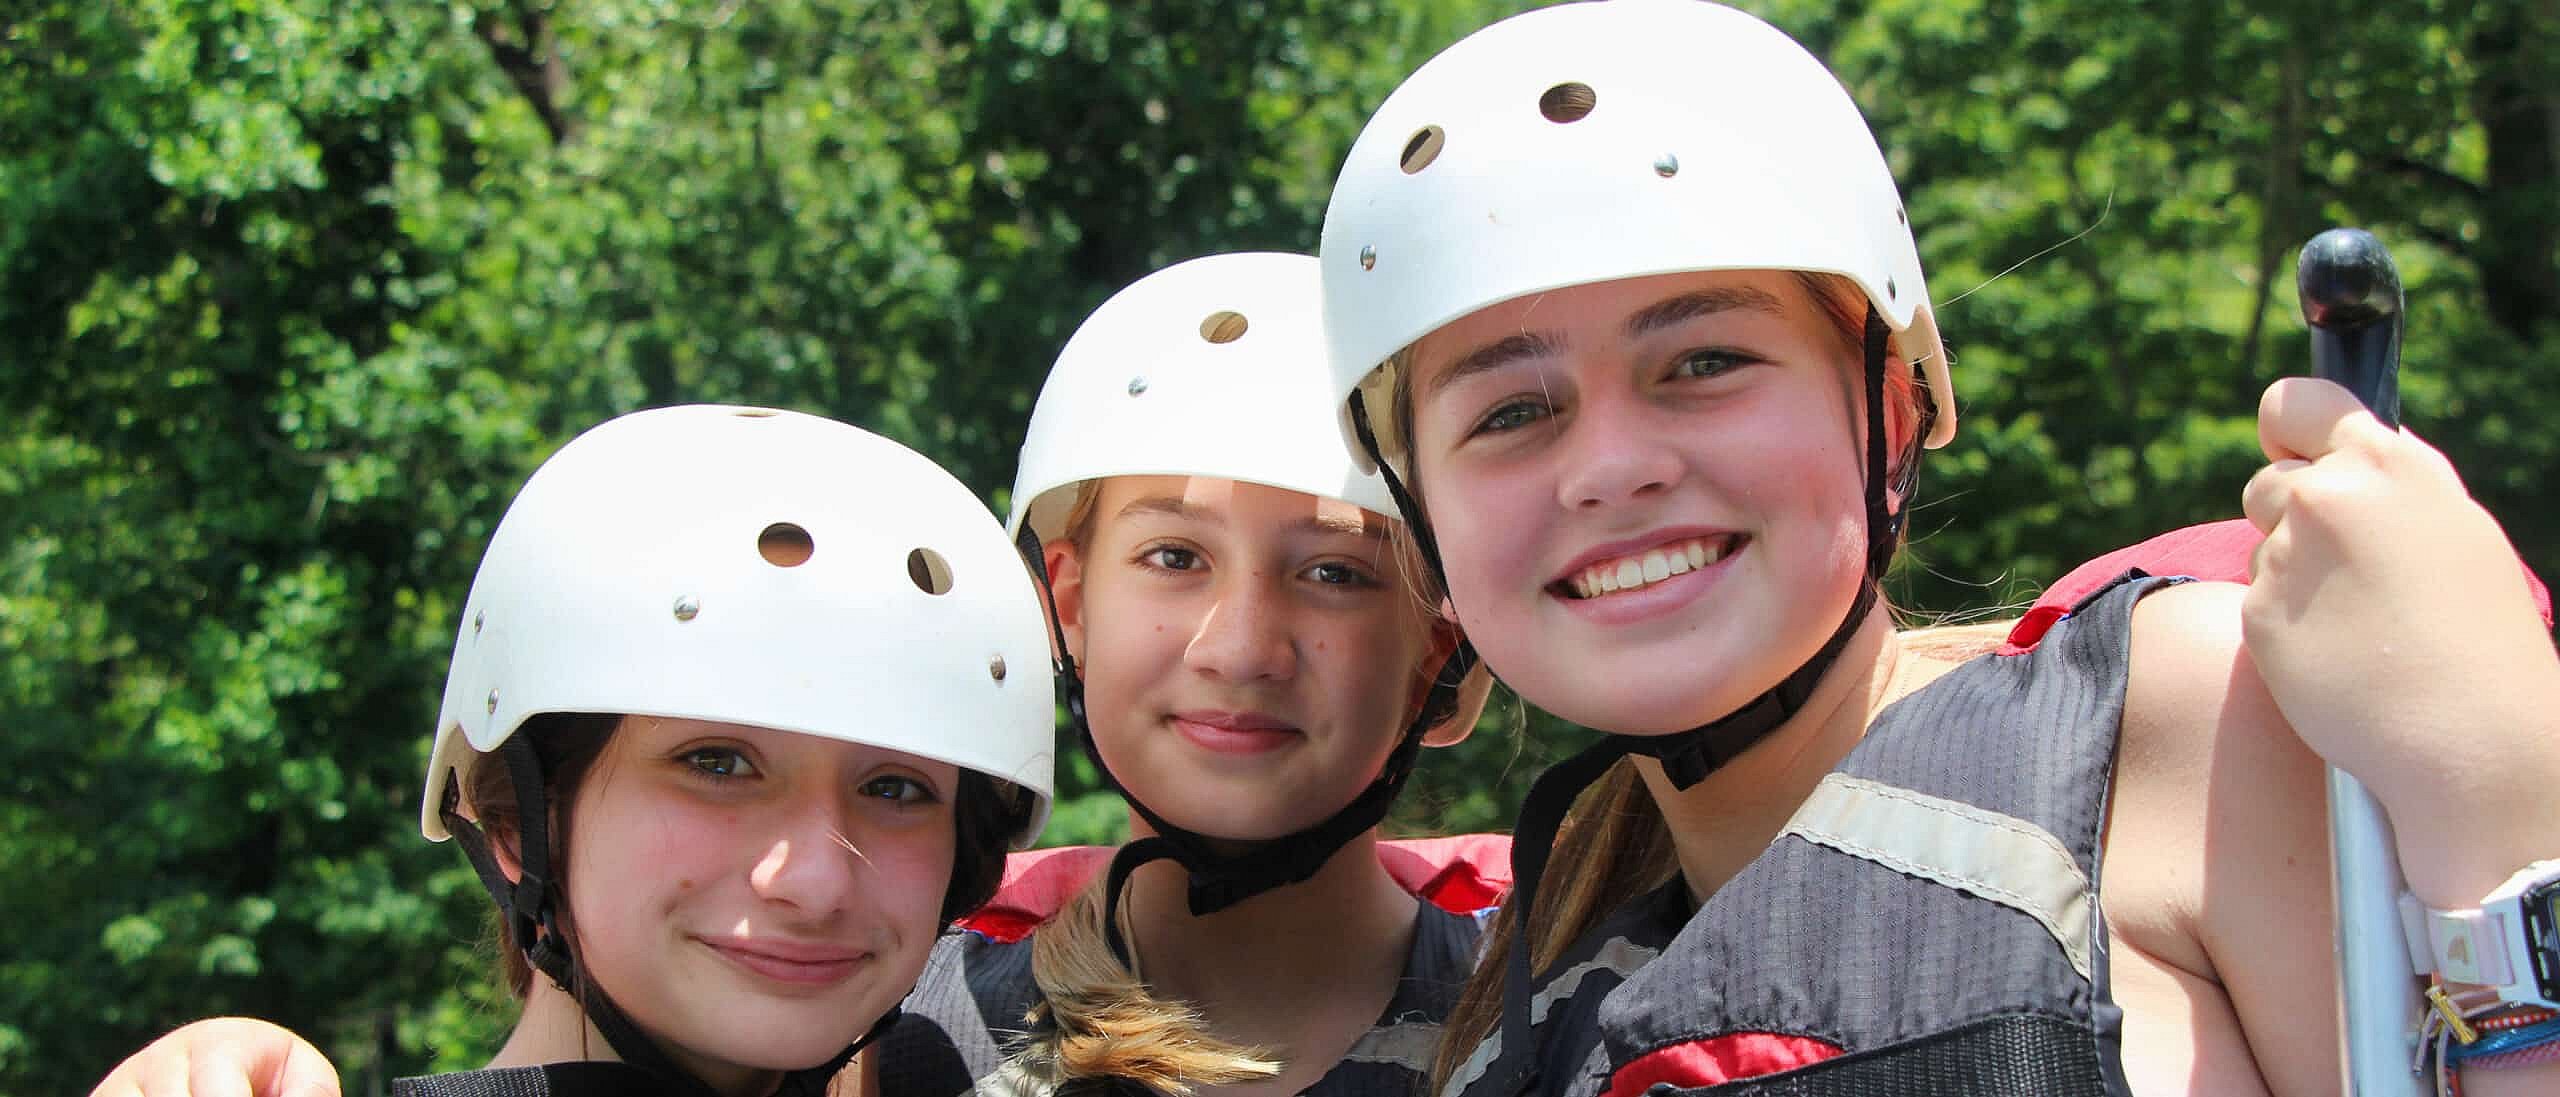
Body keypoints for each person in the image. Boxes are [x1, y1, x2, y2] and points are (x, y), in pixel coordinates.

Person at [1313, 2, 2560, 1094]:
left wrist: (2504, 792)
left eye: (1704, 361)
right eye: (1512, 413)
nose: (1609, 465)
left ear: (1893, 415)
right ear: (1425, 532)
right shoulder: (1501, 1010)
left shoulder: (2187, 720)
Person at [90, 405, 1058, 1097]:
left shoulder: (1000, 1045)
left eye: (896, 786)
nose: (812, 879)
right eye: (716, 762)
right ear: (517, 816)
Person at [876, 251, 1501, 1097]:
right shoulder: (904, 1038)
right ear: (1068, 606)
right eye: (1174, 556)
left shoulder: (1564, 1024)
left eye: (1333, 573)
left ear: (1436, 650)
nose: (1240, 649)